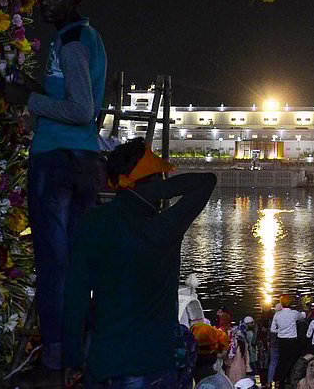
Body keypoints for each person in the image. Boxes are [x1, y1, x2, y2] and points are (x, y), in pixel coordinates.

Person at [6, 0, 106, 377]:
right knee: (76, 261)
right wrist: (34, 87)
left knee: (53, 263)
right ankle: (78, 354)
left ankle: (56, 357)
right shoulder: (79, 37)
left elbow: (81, 109)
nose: (44, 3)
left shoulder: (72, 44)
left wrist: (28, 100)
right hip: (80, 162)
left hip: (58, 161)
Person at [61, 138, 216, 387]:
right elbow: (206, 182)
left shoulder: (93, 222)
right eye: (158, 177)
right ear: (152, 183)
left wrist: (73, 359)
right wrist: (146, 191)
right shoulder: (162, 226)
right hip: (153, 363)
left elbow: (75, 296)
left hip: (104, 363)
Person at [273, 296, 307, 389]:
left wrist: (280, 331)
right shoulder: (294, 313)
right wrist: (302, 309)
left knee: (282, 362)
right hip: (292, 341)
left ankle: (281, 383)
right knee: (293, 361)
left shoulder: (277, 315)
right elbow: (303, 316)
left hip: (281, 341)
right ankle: (292, 380)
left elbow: (273, 329)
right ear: (290, 303)